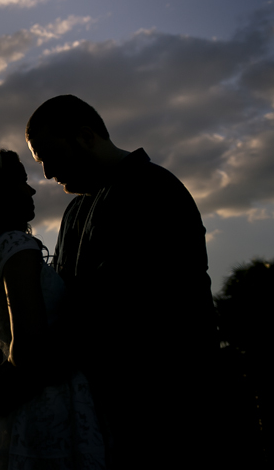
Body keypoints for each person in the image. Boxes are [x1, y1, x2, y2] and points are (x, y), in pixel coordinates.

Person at [23, 94, 221, 468]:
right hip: (105, 417)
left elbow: (114, 308)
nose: (47, 173)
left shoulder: (153, 189)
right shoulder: (75, 210)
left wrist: (28, 373)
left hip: (170, 411)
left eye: (50, 155)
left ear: (85, 135)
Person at [0, 150, 105, 470]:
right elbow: (29, 342)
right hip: (54, 397)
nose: (32, 189)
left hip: (19, 410)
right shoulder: (17, 247)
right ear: (1, 192)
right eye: (22, 181)